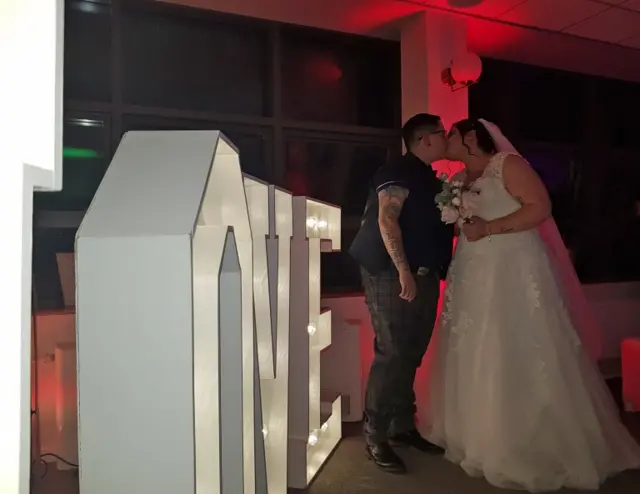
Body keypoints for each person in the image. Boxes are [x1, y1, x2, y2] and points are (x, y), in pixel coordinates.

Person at [423, 118, 640, 491]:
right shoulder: (456, 180)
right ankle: (476, 434)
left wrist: (488, 228)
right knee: (475, 346)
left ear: (471, 136)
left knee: (518, 343)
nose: (446, 140)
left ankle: (527, 438)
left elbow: (540, 207)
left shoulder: (507, 164)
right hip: (472, 270)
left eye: (452, 134)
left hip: (513, 266)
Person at [349, 113, 454, 473]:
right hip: (391, 273)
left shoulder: (429, 177)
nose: (446, 138)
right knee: (392, 351)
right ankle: (375, 435)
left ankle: (402, 426)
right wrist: (403, 270)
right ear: (425, 139)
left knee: (411, 352)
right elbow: (387, 218)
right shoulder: (397, 170)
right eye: (442, 133)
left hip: (423, 274)